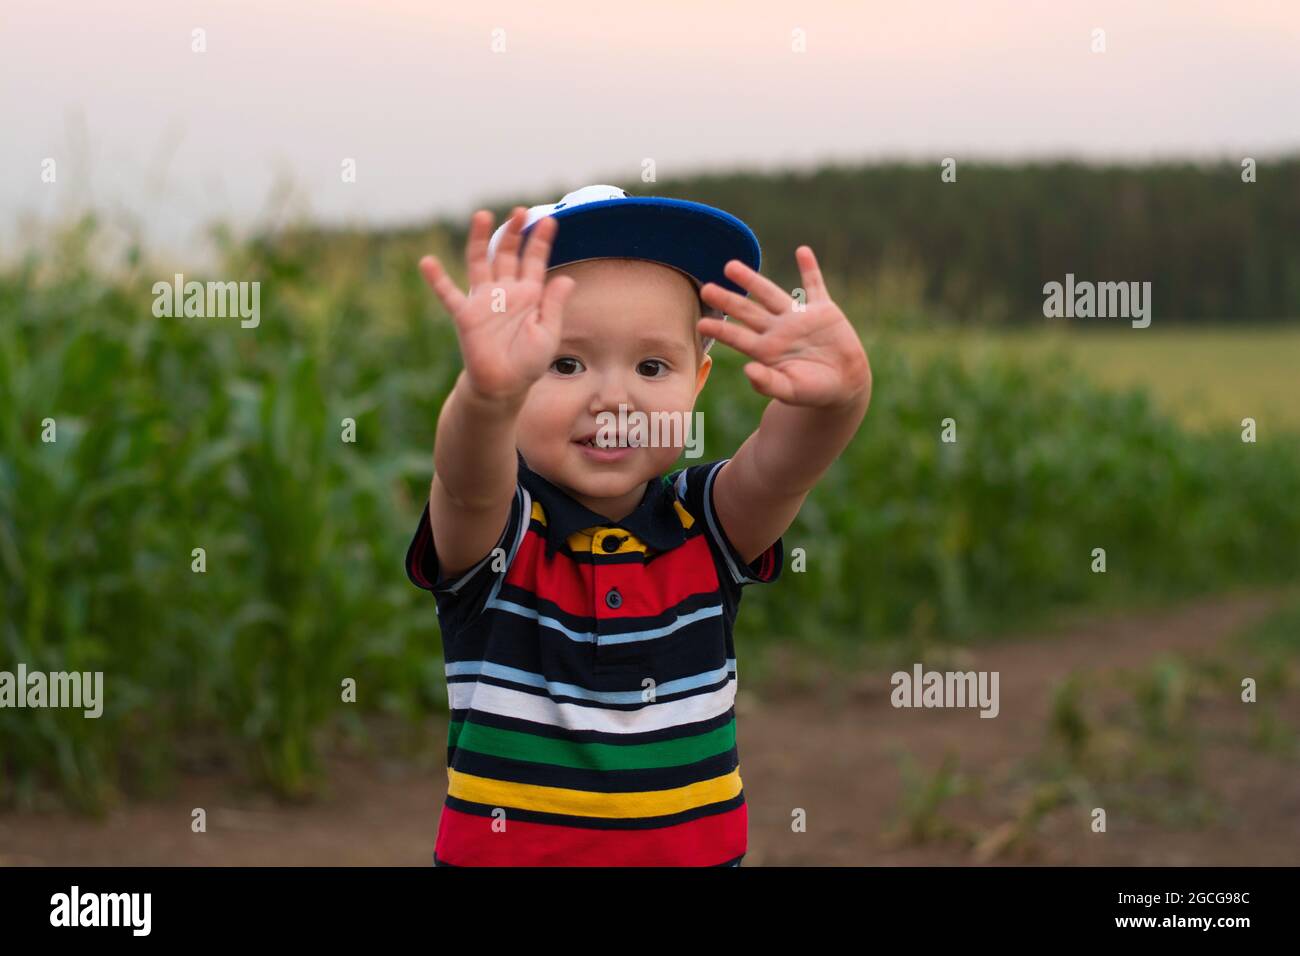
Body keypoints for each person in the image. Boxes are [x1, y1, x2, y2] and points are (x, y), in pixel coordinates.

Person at [408, 184, 871, 865]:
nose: (615, 397)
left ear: (699, 382)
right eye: (564, 363)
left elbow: (782, 469)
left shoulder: (704, 523)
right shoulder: (505, 531)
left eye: (653, 366)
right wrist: (484, 400)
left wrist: (841, 399)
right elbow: (465, 482)